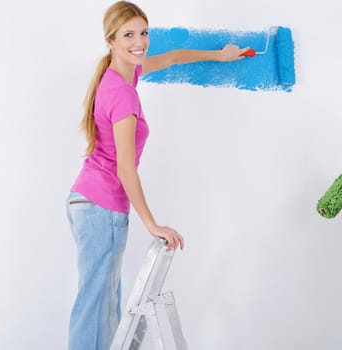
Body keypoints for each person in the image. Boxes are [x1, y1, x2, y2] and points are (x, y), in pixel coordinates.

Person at [65, 1, 249, 349]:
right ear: (111, 41)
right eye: (129, 35)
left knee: (104, 309)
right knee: (95, 311)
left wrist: (219, 56)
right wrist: (152, 224)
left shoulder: (122, 73)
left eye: (143, 32)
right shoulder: (121, 94)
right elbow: (125, 167)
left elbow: (174, 57)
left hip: (92, 204)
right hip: (99, 206)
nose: (140, 41)